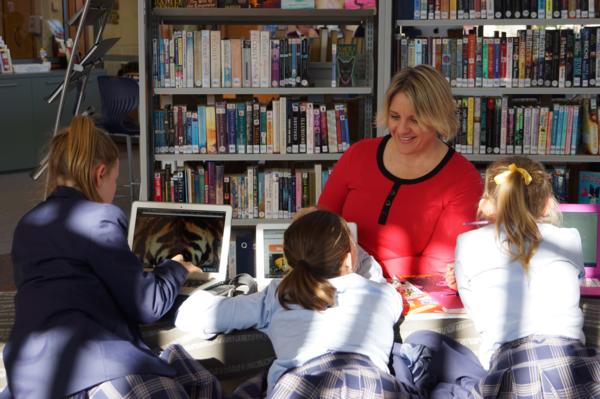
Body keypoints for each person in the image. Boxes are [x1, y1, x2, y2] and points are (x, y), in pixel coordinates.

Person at [4, 116, 220, 399]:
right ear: (100, 174)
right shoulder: (101, 218)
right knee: (198, 381)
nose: (114, 191)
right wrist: (175, 268)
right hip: (94, 368)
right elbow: (147, 305)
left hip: (29, 379)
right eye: (115, 181)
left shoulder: (27, 225)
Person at [406, 156, 600, 397]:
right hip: (574, 367)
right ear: (547, 204)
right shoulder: (570, 237)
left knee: (423, 342)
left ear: (488, 204)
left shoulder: (468, 243)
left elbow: (478, 312)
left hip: (509, 371)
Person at [175, 209, 405, 398]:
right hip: (371, 390)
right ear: (348, 257)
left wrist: (207, 291)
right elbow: (372, 276)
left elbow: (192, 317)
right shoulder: (383, 295)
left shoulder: (280, 293)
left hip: (300, 390)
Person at [318, 64, 483, 279]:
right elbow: (319, 225)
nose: (402, 129)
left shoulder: (463, 179)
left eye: (414, 120)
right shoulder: (358, 155)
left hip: (410, 299)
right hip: (341, 286)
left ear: (437, 118)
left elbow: (438, 266)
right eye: (395, 117)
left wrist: (356, 264)